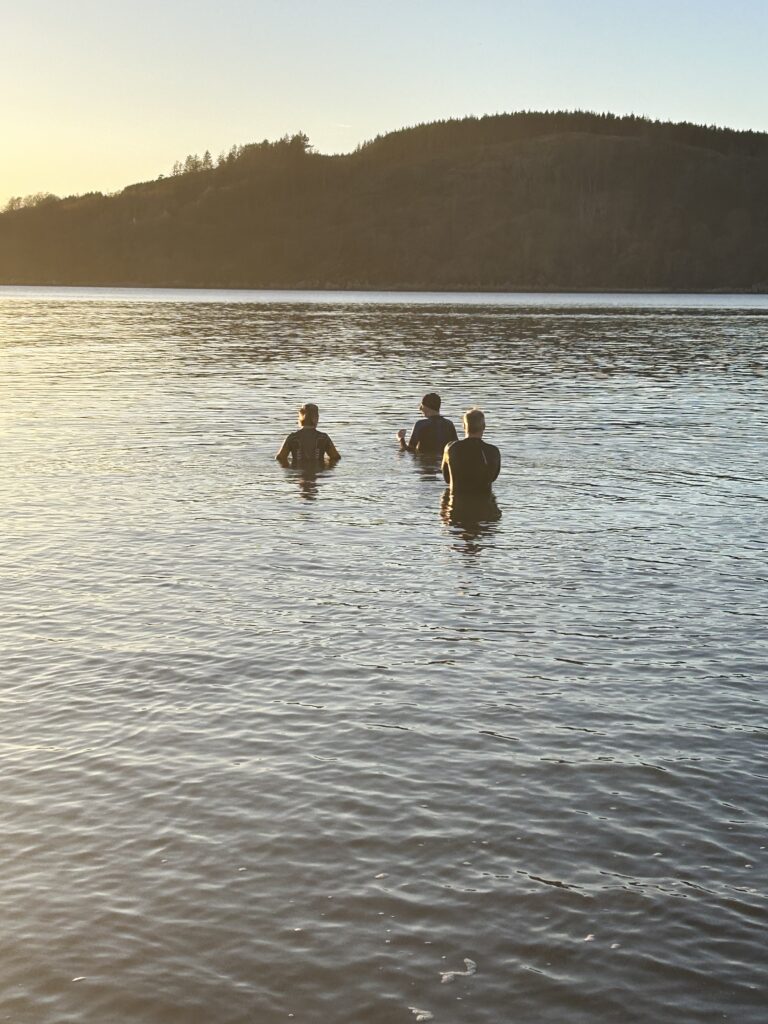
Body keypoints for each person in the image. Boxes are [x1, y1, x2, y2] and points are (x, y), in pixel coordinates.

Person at [441, 408, 500, 494]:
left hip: (457, 503)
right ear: (484, 427)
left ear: (464, 426)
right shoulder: (493, 451)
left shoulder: (451, 448)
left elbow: (447, 479)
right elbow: (493, 478)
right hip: (484, 502)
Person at [275, 402, 341, 464]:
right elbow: (336, 457)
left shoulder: (292, 437)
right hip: (318, 471)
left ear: (300, 417)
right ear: (316, 418)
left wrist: (289, 467)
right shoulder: (323, 438)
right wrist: (327, 466)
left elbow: (280, 458)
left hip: (298, 473)